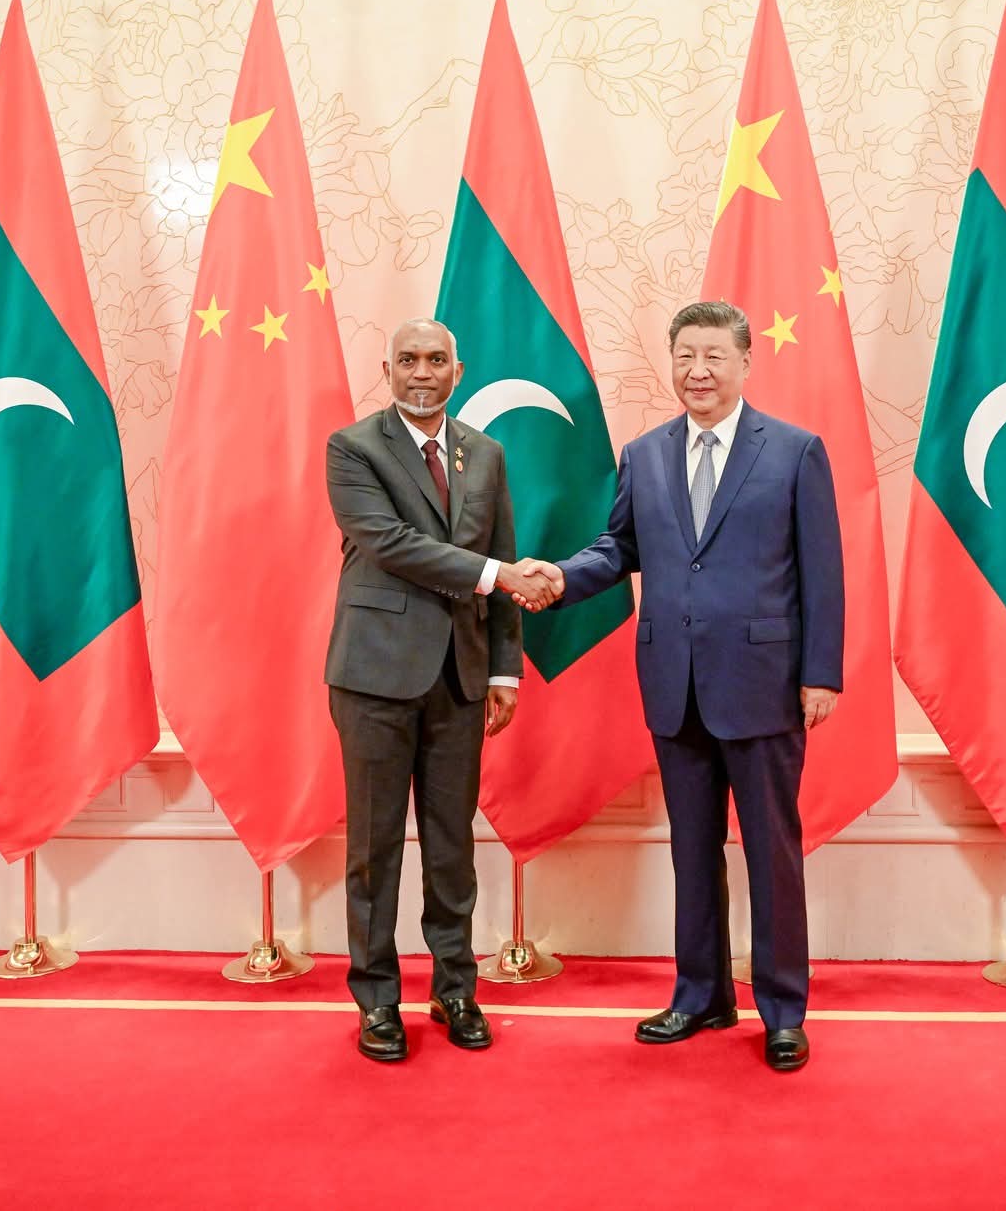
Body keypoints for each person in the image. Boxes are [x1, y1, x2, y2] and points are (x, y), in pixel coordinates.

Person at [527, 301, 842, 1072]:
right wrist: (559, 577)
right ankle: (700, 993)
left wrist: (820, 673)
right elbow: (618, 548)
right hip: (674, 682)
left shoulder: (794, 451)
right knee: (691, 849)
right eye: (685, 356)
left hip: (764, 684)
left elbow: (824, 572)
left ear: (744, 363)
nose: (698, 371)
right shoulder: (644, 454)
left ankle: (782, 1010)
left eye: (713, 356)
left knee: (772, 853)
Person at [324, 317, 555, 1062]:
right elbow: (391, 544)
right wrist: (499, 576)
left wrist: (503, 670)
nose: (421, 372)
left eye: (435, 360)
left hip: (460, 676)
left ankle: (456, 987)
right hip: (374, 678)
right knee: (374, 848)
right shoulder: (353, 447)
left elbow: (501, 550)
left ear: (459, 370)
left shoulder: (485, 453)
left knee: (452, 846)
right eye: (408, 360)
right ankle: (377, 999)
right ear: (387, 369)